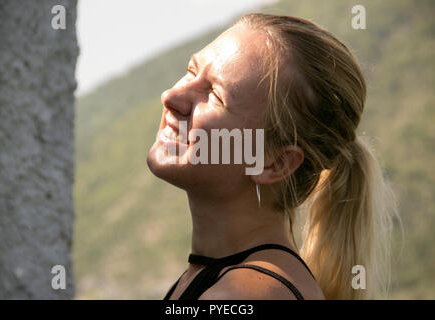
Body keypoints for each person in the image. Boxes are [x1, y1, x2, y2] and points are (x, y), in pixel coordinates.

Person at [147, 13, 396, 300]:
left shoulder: (239, 295)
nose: (171, 96)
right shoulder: (220, 278)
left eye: (214, 95)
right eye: (192, 71)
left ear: (274, 162)